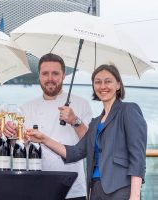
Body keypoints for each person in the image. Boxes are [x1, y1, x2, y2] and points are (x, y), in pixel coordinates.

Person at [26, 64, 147, 200]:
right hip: (95, 190)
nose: (102, 86)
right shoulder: (95, 123)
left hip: (120, 189)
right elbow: (74, 152)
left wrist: (135, 196)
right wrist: (43, 139)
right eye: (97, 82)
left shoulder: (128, 110)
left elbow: (137, 156)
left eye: (108, 81)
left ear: (118, 85)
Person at [4, 53, 93, 199]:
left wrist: (75, 120)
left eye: (55, 73)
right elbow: (18, 145)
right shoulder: (26, 108)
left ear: (64, 75)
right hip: (36, 186)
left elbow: (90, 143)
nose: (50, 78)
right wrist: (12, 136)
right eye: (45, 73)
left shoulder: (81, 104)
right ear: (39, 76)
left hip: (73, 189)